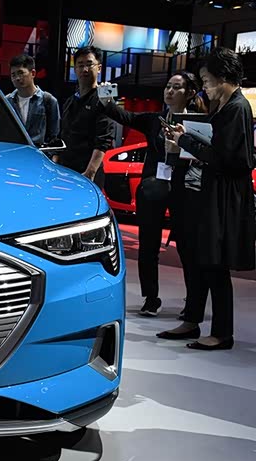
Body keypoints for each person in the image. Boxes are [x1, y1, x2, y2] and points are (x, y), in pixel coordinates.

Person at [159, 47, 255, 350]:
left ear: (223, 76)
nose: (204, 86)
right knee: (202, 260)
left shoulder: (236, 107)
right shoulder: (227, 105)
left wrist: (185, 140)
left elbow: (228, 158)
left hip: (223, 198)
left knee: (215, 264)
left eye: (207, 79)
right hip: (210, 193)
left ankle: (222, 333)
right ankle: (193, 320)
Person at [98, 72, 206, 317]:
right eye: (168, 86)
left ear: (190, 93)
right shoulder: (154, 120)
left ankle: (193, 301)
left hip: (184, 190)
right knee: (148, 246)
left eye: (176, 87)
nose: (169, 91)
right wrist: (106, 98)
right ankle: (150, 298)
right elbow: (123, 116)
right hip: (153, 189)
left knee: (188, 248)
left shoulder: (196, 124)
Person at [54, 45, 115, 186]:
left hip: (88, 173)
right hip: (66, 171)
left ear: (99, 68)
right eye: (80, 65)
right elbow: (62, 134)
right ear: (75, 69)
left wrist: (90, 172)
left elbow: (104, 139)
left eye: (89, 64)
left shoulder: (105, 96)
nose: (84, 69)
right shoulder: (70, 101)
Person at [5, 54, 60, 146]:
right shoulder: (7, 101)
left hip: (39, 151)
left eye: (21, 73)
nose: (17, 78)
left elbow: (54, 135)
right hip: (14, 151)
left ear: (33, 73)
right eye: (13, 75)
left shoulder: (48, 100)